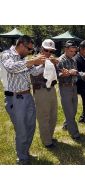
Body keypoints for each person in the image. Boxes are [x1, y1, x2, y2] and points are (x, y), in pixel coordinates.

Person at [1, 35, 45, 164]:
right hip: (15, 98)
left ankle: (24, 151)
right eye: (29, 49)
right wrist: (32, 61)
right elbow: (11, 68)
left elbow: (34, 72)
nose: (30, 52)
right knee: (22, 129)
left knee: (30, 126)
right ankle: (22, 159)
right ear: (20, 45)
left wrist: (45, 64)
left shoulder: (23, 58)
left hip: (27, 95)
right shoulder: (6, 54)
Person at [30, 39, 59, 149]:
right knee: (43, 116)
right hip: (40, 90)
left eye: (51, 51)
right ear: (42, 49)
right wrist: (45, 64)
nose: (48, 53)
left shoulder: (51, 59)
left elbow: (55, 74)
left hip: (51, 89)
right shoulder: (34, 59)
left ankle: (49, 136)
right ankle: (46, 141)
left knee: (53, 115)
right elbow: (34, 72)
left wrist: (55, 64)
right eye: (46, 50)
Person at [57, 40, 80, 140]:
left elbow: (75, 72)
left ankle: (66, 125)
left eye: (74, 51)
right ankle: (74, 133)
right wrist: (68, 73)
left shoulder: (73, 59)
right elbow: (57, 75)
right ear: (65, 49)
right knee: (69, 111)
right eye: (71, 51)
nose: (73, 53)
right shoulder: (60, 60)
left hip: (74, 86)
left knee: (73, 110)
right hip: (65, 87)